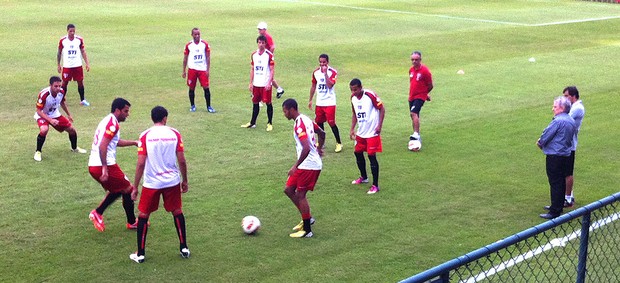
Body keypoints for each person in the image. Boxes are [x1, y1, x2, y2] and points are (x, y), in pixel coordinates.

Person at [130, 106, 189, 263]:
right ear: (165, 118)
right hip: (172, 181)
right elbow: (182, 160)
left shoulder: (145, 136)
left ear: (152, 118)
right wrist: (185, 180)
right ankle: (184, 247)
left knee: (143, 215)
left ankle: (141, 254)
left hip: (152, 182)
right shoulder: (174, 133)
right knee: (177, 211)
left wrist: (135, 187)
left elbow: (141, 163)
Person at [88, 98, 140, 232]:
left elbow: (114, 142)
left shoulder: (108, 120)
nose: (127, 114)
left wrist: (133, 142)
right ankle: (98, 213)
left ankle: (131, 221)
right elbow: (103, 146)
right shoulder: (113, 124)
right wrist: (105, 168)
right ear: (117, 110)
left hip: (94, 164)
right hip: (103, 165)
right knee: (128, 189)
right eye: (125, 111)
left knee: (121, 189)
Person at [282, 98, 325, 238]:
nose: (284, 114)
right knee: (288, 189)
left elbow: (306, 147)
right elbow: (322, 133)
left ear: (292, 109)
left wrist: (295, 166)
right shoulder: (305, 119)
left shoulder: (299, 124)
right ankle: (308, 218)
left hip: (309, 165)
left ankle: (307, 230)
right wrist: (318, 148)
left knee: (301, 195)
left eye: (285, 111)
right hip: (308, 163)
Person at [537, 96, 576, 219]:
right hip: (565, 154)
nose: (553, 109)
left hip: (555, 155)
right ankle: (557, 205)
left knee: (555, 182)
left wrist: (540, 143)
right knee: (560, 181)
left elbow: (546, 135)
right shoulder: (570, 120)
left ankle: (555, 210)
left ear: (562, 108)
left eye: (555, 106)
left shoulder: (558, 121)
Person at [33, 76, 87, 161]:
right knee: (44, 130)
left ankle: (74, 148)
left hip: (55, 114)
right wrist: (50, 120)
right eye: (55, 86)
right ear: (50, 85)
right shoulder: (44, 94)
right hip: (42, 114)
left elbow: (62, 102)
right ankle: (38, 152)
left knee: (72, 130)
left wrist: (69, 114)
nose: (58, 88)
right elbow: (39, 111)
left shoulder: (61, 92)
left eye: (59, 86)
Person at [349, 79, 385, 194]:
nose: (353, 92)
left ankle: (375, 185)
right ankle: (364, 177)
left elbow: (382, 109)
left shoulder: (370, 95)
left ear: (360, 87)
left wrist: (379, 125)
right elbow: (355, 114)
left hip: (372, 132)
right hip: (361, 132)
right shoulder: (353, 98)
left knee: (371, 156)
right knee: (357, 152)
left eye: (355, 89)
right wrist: (352, 129)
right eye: (351, 90)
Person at [308, 54, 343, 153]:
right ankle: (321, 142)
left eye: (324, 62)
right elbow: (313, 86)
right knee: (319, 122)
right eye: (320, 62)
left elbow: (330, 85)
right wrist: (310, 99)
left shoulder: (332, 72)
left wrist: (325, 74)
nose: (322, 64)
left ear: (328, 62)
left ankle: (339, 143)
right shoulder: (315, 73)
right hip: (320, 102)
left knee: (331, 122)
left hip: (330, 102)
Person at [241, 35, 276, 131]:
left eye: (263, 43)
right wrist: (250, 83)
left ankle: (269, 123)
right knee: (255, 102)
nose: (261, 45)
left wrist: (269, 82)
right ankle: (252, 122)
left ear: (265, 44)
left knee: (268, 103)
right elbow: (252, 69)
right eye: (259, 42)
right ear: (257, 43)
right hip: (256, 84)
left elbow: (272, 70)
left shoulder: (269, 55)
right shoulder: (254, 55)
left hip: (265, 84)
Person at [182, 27, 215, 113]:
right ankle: (192, 105)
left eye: (198, 34)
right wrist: (184, 70)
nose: (197, 36)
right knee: (191, 88)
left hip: (202, 69)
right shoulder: (189, 45)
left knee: (206, 88)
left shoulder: (204, 44)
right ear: (192, 35)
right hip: (192, 69)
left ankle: (209, 106)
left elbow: (208, 57)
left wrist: (207, 70)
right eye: (195, 34)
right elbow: (185, 58)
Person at [57, 23, 91, 106]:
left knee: (80, 82)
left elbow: (83, 51)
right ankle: (60, 101)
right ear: (67, 31)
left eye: (73, 31)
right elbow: (59, 52)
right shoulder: (63, 40)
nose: (72, 33)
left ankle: (82, 100)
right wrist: (58, 64)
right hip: (67, 66)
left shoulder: (79, 39)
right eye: (70, 31)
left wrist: (87, 63)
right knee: (64, 83)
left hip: (77, 65)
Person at [562, 86, 585, 207]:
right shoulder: (573, 107)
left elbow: (564, 120)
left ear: (573, 96)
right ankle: (568, 195)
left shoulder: (577, 108)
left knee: (567, 173)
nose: (564, 99)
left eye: (566, 96)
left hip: (569, 145)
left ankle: (568, 198)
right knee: (563, 172)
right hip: (565, 144)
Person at [408, 51, 433, 144]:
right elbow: (413, 83)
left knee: (413, 113)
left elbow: (430, 85)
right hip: (412, 96)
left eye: (416, 60)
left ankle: (416, 134)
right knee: (414, 115)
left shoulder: (425, 71)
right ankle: (416, 135)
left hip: (420, 96)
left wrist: (425, 94)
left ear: (420, 60)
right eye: (412, 60)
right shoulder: (411, 70)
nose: (414, 61)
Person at [257, 21, 285, 98]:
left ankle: (260, 95)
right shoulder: (263, 36)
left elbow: (272, 46)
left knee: (268, 76)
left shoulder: (267, 37)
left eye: (260, 29)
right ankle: (279, 89)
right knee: (266, 75)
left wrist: (268, 55)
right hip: (264, 58)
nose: (259, 31)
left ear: (264, 29)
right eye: (258, 29)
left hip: (267, 59)